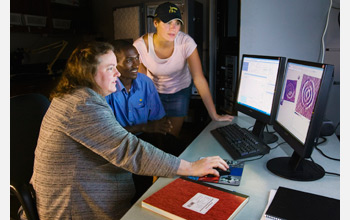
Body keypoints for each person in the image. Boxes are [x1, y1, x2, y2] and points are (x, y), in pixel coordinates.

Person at [30, 41, 229, 220]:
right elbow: (129, 150)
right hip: (75, 208)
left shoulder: (81, 97)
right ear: (87, 73)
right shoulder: (83, 105)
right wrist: (190, 168)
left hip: (90, 192)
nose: (117, 74)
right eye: (110, 68)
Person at [133, 2, 234, 137]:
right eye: (168, 22)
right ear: (155, 23)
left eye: (177, 23)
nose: (173, 28)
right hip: (154, 92)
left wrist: (214, 115)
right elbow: (141, 82)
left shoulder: (186, 42)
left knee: (172, 135)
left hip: (179, 90)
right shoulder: (141, 46)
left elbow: (199, 78)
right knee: (156, 134)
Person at [105, 40, 186, 203]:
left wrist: (161, 129)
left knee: (181, 151)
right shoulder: (107, 89)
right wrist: (146, 126)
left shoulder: (145, 83)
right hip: (118, 144)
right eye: (129, 60)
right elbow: (109, 135)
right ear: (114, 65)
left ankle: (178, 195)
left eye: (137, 58)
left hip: (145, 136)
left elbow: (158, 120)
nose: (136, 64)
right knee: (139, 179)